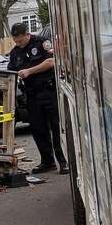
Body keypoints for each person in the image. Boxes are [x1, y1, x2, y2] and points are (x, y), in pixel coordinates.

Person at [8, 22, 68, 175]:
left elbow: (51, 62)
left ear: (27, 35)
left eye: (20, 40)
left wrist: (29, 71)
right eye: (16, 41)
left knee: (56, 127)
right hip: (32, 95)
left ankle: (63, 161)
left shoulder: (41, 43)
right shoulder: (15, 53)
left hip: (48, 91)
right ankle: (47, 162)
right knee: (38, 129)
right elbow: (11, 72)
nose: (18, 44)